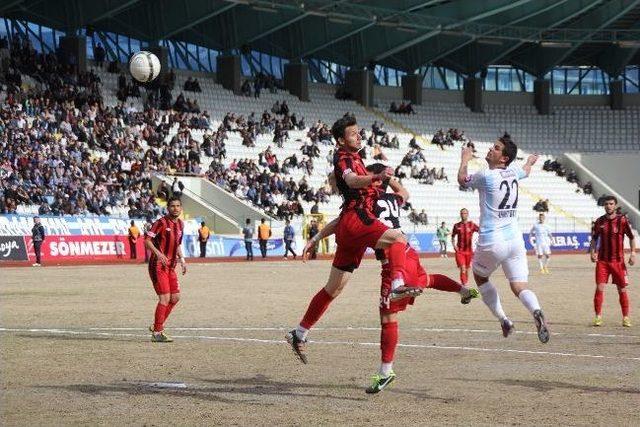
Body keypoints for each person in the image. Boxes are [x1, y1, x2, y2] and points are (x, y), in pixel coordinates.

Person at [303, 163, 478, 393]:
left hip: (391, 259)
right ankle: (463, 290)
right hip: (409, 252)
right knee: (427, 279)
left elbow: (339, 223)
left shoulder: (368, 200)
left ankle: (386, 371)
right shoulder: (394, 199)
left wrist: (315, 238)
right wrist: (389, 178)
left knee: (388, 317)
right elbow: (405, 192)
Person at [286, 116, 411, 365]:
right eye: (353, 134)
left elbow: (346, 213)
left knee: (333, 289)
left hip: (349, 227)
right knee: (399, 239)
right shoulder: (344, 157)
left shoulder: (362, 169)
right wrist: (377, 178)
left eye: (358, 132)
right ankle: (398, 284)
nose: (358, 136)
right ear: (342, 139)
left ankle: (299, 333)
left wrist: (317, 237)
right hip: (357, 224)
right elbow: (352, 180)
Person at [457, 133, 550, 343]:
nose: (491, 149)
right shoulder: (515, 172)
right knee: (519, 286)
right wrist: (529, 161)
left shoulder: (485, 176)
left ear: (504, 158)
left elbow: (462, 180)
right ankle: (536, 310)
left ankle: (504, 319)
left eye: (496, 148)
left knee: (480, 277)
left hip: (492, 239)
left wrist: (464, 159)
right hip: (515, 240)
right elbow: (525, 170)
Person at [144, 197, 187, 343]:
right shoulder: (160, 223)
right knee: (165, 298)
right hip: (158, 265)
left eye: (178, 206)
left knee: (175, 298)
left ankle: (157, 325)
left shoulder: (181, 224)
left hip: (171, 266)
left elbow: (177, 244)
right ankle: (157, 333)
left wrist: (182, 259)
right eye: (172, 206)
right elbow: (147, 241)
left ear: (181, 208)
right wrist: (158, 253)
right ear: (168, 208)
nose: (175, 208)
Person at [590, 196, 636, 327]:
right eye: (606, 204)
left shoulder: (622, 220)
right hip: (603, 262)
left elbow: (632, 237)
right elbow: (594, 238)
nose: (608, 206)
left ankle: (625, 317)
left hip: (618, 262)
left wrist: (633, 253)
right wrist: (593, 252)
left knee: (621, 289)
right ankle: (598, 316)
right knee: (599, 287)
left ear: (615, 205)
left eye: (611, 204)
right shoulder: (599, 221)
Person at [452, 208, 479, 285]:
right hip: (460, 251)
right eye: (462, 213)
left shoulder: (472, 224)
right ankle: (464, 283)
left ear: (467, 214)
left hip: (469, 251)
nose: (463, 215)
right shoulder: (456, 226)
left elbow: (480, 231)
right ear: (460, 215)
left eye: (465, 213)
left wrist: (479, 242)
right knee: (463, 268)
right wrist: (454, 245)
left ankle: (465, 281)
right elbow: (453, 236)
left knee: (466, 268)